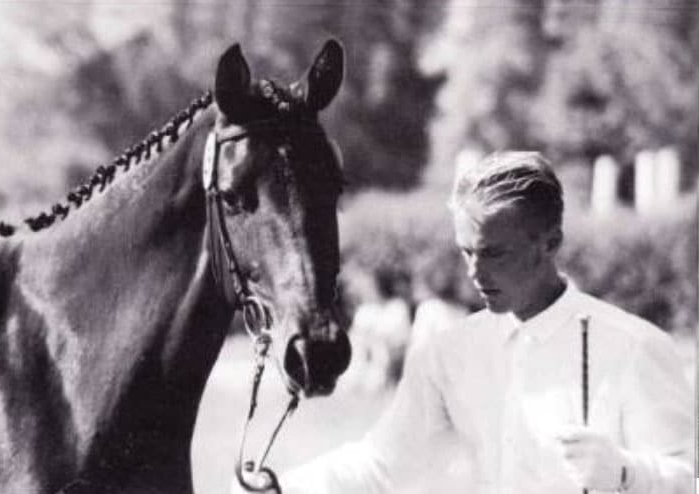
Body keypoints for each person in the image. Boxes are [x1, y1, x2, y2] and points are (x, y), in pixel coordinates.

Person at [234, 151, 693, 494]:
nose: (475, 271)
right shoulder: (447, 353)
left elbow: (688, 480)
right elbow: (383, 466)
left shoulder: (634, 347)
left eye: (494, 252)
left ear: (550, 242)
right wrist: (279, 488)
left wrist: (628, 473)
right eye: (466, 251)